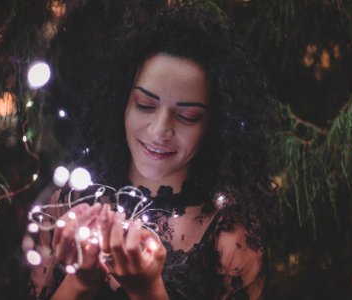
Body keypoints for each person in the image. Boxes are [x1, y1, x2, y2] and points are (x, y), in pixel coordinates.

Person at [29, 4, 277, 300]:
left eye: (187, 116)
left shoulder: (233, 238)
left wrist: (148, 291)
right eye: (145, 105)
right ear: (123, 101)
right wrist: (81, 281)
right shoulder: (67, 205)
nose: (160, 130)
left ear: (214, 125)